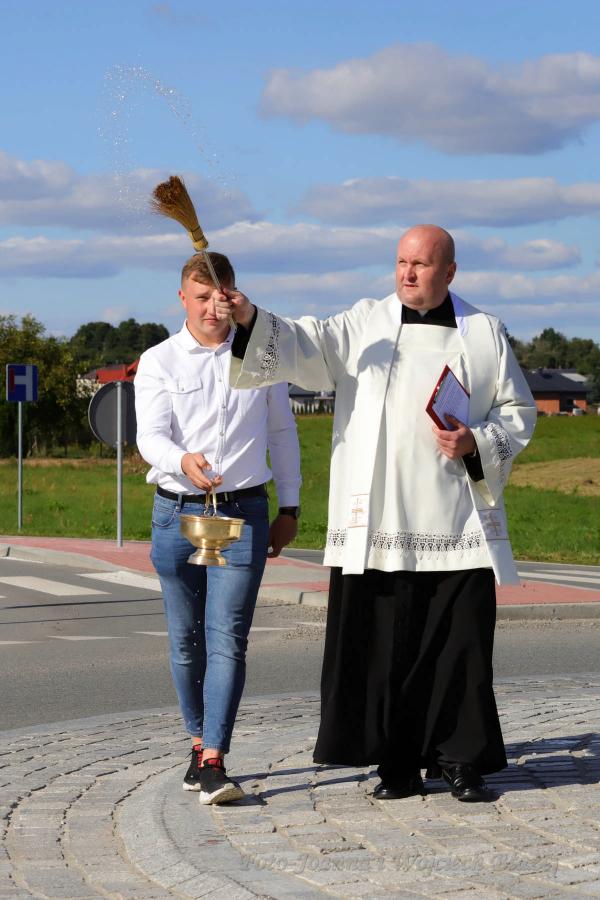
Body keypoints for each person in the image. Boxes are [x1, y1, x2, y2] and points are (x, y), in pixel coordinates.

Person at [215, 225, 537, 804]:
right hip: (377, 523)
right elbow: (304, 344)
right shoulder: (363, 322)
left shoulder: (484, 332)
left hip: (454, 519)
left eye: (421, 264)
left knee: (457, 649)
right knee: (384, 649)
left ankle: (459, 760)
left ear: (449, 272)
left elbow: (518, 411)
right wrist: (251, 317)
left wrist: (476, 441)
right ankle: (397, 764)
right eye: (401, 262)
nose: (407, 273)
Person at [135, 251, 301, 805]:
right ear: (182, 298)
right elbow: (150, 436)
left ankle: (213, 760)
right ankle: (196, 739)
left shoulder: (261, 358)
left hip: (243, 511)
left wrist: (290, 509)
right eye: (201, 297)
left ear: (235, 295)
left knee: (227, 637)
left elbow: (282, 434)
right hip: (176, 512)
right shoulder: (159, 360)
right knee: (187, 642)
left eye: (221, 296)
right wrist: (182, 460)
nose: (212, 307)